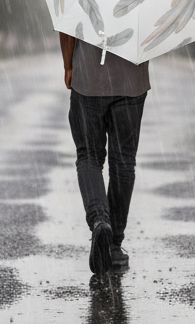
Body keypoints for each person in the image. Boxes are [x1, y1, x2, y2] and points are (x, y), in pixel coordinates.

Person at [61, 32, 149, 275]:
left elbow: (67, 26)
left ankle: (100, 219)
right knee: (123, 163)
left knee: (89, 156)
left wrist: (69, 65)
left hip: (89, 77)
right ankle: (113, 244)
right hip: (132, 77)